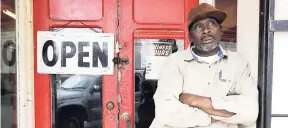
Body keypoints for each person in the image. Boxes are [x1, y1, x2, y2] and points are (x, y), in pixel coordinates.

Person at [149, 3, 259, 128]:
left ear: (221, 31)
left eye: (212, 23)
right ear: (190, 37)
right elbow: (166, 113)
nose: (206, 30)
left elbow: (250, 111)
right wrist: (213, 116)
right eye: (198, 26)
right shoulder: (174, 63)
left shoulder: (238, 63)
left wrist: (193, 100)